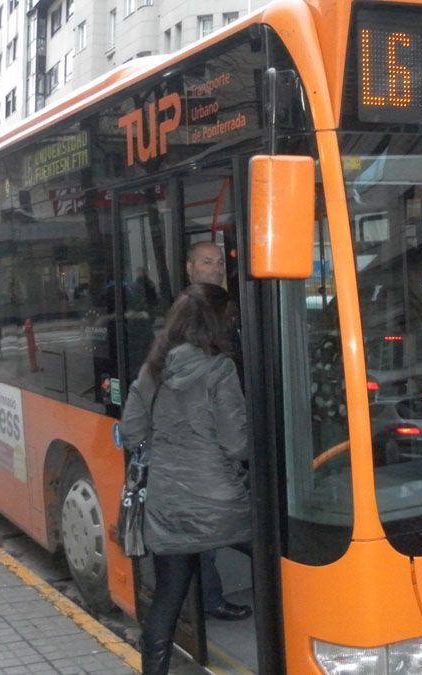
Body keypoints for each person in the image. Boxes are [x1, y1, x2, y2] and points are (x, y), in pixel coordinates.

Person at [122, 284, 251, 674]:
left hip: (167, 504)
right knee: (281, 550)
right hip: (219, 503)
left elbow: (130, 433)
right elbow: (237, 444)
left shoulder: (152, 371)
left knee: (168, 595)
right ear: (216, 323)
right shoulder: (219, 369)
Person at [184, 240, 251, 621]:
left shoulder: (226, 305)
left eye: (219, 262)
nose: (215, 268)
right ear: (189, 268)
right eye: (206, 262)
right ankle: (208, 600)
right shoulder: (190, 313)